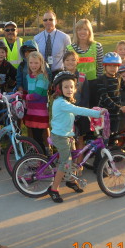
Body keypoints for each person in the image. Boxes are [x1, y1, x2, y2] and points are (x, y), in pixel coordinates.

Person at [48, 71, 104, 203]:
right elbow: (78, 110)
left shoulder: (66, 101)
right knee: (65, 162)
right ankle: (54, 189)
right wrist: (97, 113)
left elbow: (74, 112)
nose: (69, 89)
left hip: (68, 135)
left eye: (71, 87)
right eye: (66, 87)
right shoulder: (61, 102)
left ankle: (70, 180)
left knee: (72, 159)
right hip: (60, 137)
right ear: (59, 89)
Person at [22, 51, 50, 153]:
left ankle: (42, 158)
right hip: (32, 111)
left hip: (39, 113)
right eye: (31, 63)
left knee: (39, 138)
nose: (33, 65)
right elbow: (31, 91)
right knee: (34, 137)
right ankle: (39, 157)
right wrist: (23, 93)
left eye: (36, 63)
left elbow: (37, 95)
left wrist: (23, 96)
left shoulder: (42, 77)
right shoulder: (29, 76)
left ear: (41, 63)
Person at [34, 10, 71, 75]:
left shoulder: (65, 38)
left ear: (56, 21)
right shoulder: (36, 38)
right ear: (43, 22)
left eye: (50, 19)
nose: (48, 21)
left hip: (59, 73)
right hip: (42, 74)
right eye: (45, 20)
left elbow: (69, 57)